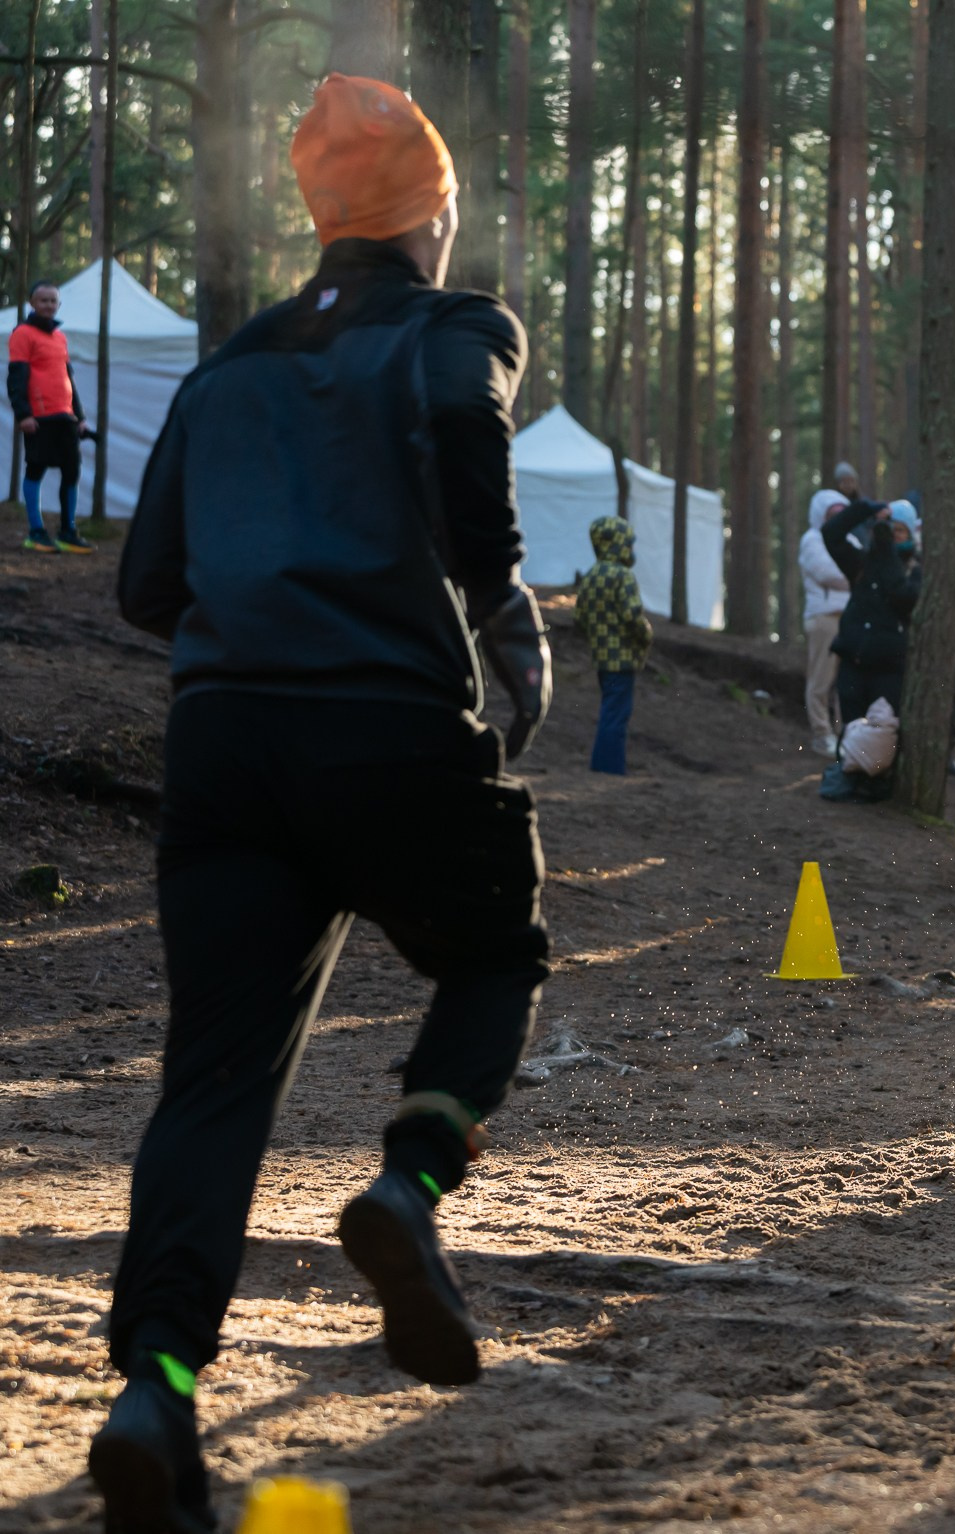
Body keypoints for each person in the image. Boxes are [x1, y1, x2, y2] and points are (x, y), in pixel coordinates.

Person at [96, 74, 551, 1530]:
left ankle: (155, 1388)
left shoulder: (228, 366)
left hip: (225, 746)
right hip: (391, 727)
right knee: (493, 951)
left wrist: (259, 612)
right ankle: (412, 1182)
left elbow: (144, 587)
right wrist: (499, 603)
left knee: (215, 1078)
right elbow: (466, 422)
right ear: (429, 216)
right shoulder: (456, 325)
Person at [820, 493, 918, 802]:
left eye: (898, 529)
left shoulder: (914, 569)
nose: (890, 533)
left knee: (884, 730)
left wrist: (885, 549)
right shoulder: (862, 562)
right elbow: (831, 534)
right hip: (853, 658)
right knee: (850, 724)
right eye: (887, 526)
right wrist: (865, 509)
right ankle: (847, 776)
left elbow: (903, 598)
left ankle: (875, 783)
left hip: (888, 666)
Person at [10, 278, 97, 553]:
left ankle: (67, 531)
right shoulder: (23, 333)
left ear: (58, 304)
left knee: (72, 471)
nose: (48, 305)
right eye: (43, 300)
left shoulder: (60, 337)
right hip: (39, 416)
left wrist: (79, 415)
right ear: (32, 303)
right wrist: (23, 414)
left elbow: (67, 377)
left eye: (53, 301)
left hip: (65, 417)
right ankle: (36, 532)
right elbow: (16, 377)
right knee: (36, 469)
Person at [575, 515, 651, 774]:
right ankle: (610, 770)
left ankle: (603, 766)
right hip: (623, 659)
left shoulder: (591, 575)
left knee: (610, 710)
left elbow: (580, 617)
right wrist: (645, 634)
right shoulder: (622, 576)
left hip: (601, 658)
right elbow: (632, 616)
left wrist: (598, 638)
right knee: (616, 716)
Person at [798, 485, 854, 758]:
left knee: (846, 680)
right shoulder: (812, 540)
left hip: (849, 618)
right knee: (821, 678)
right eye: (833, 514)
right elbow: (827, 573)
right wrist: (856, 578)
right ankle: (822, 734)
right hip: (824, 618)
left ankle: (845, 734)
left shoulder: (851, 541)